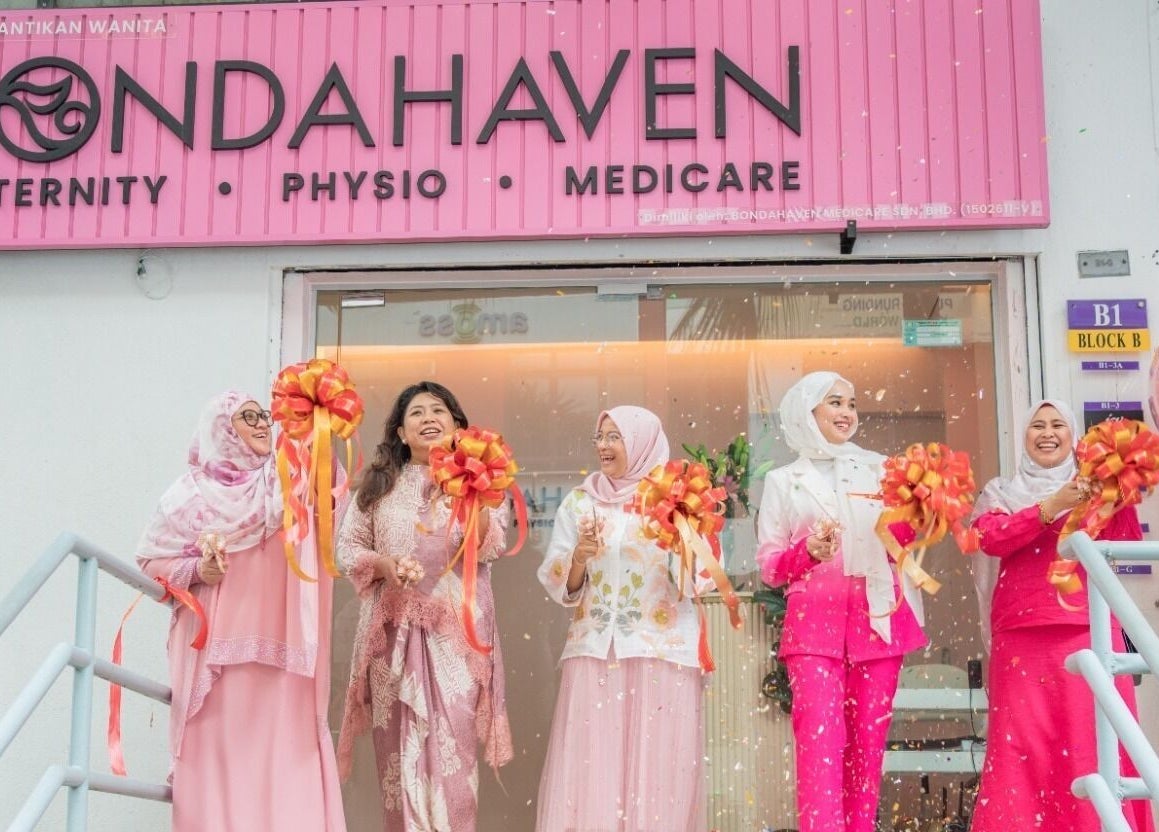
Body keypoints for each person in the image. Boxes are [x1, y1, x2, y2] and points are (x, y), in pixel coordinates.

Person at [137, 391, 346, 832]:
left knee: (286, 769)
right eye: (245, 416)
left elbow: (329, 497)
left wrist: (316, 426)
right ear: (220, 427)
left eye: (262, 415)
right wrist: (198, 568)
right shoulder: (187, 495)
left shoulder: (288, 480)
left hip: (286, 661)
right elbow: (151, 566)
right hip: (214, 664)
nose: (260, 424)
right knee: (220, 772)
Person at [968, 399, 1155, 832]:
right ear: (1024, 437)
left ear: (1073, 438)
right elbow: (992, 539)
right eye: (1037, 425)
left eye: (1057, 425)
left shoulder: (1097, 484)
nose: (1047, 432)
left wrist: (1116, 492)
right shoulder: (1000, 491)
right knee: (1021, 751)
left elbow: (1123, 542)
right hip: (1021, 636)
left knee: (1094, 747)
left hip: (1090, 635)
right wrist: (1051, 506)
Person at [335, 381, 512, 832]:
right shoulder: (376, 488)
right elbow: (346, 550)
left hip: (456, 642)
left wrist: (478, 493)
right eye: (416, 412)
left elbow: (491, 547)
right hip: (388, 640)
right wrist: (385, 564)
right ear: (399, 431)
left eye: (439, 410)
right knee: (395, 761)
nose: (428, 418)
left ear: (457, 424)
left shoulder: (481, 482)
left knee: (454, 759)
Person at [755, 371, 927, 832]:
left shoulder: (883, 470)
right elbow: (769, 566)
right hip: (814, 628)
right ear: (806, 412)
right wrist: (806, 553)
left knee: (868, 749)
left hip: (877, 622)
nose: (847, 413)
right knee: (820, 747)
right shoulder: (783, 481)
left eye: (851, 403)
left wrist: (925, 510)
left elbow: (900, 540)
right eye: (834, 403)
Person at [536, 405, 709, 832]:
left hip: (663, 654)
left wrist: (680, 538)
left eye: (616, 436)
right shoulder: (580, 501)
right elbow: (559, 579)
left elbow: (696, 580)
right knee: (592, 768)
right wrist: (580, 555)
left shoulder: (675, 500)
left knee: (659, 771)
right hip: (596, 652)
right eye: (601, 436)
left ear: (642, 442)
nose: (604, 446)